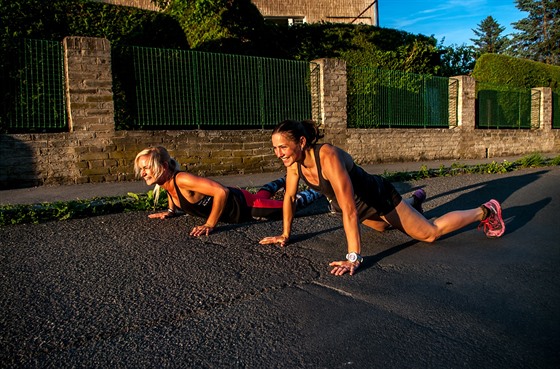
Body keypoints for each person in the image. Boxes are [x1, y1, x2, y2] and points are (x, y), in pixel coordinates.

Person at [259, 120, 505, 276]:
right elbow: (289, 198)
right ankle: (413, 205)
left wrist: (353, 257)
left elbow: (349, 210)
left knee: (429, 233)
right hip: (359, 207)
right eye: (275, 148)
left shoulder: (328, 157)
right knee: (383, 227)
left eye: (282, 147)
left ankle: (486, 210)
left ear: (301, 142)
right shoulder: (294, 162)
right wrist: (285, 234)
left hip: (377, 197)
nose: (278, 153)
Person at [134, 146, 322, 237]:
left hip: (247, 207)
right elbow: (171, 192)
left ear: (164, 166)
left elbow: (221, 192)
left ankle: (319, 189)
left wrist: (209, 224)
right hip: (243, 198)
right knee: (260, 194)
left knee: (291, 205)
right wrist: (170, 211)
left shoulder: (182, 179)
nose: (143, 173)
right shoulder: (168, 182)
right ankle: (284, 179)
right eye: (141, 168)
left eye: (147, 168)